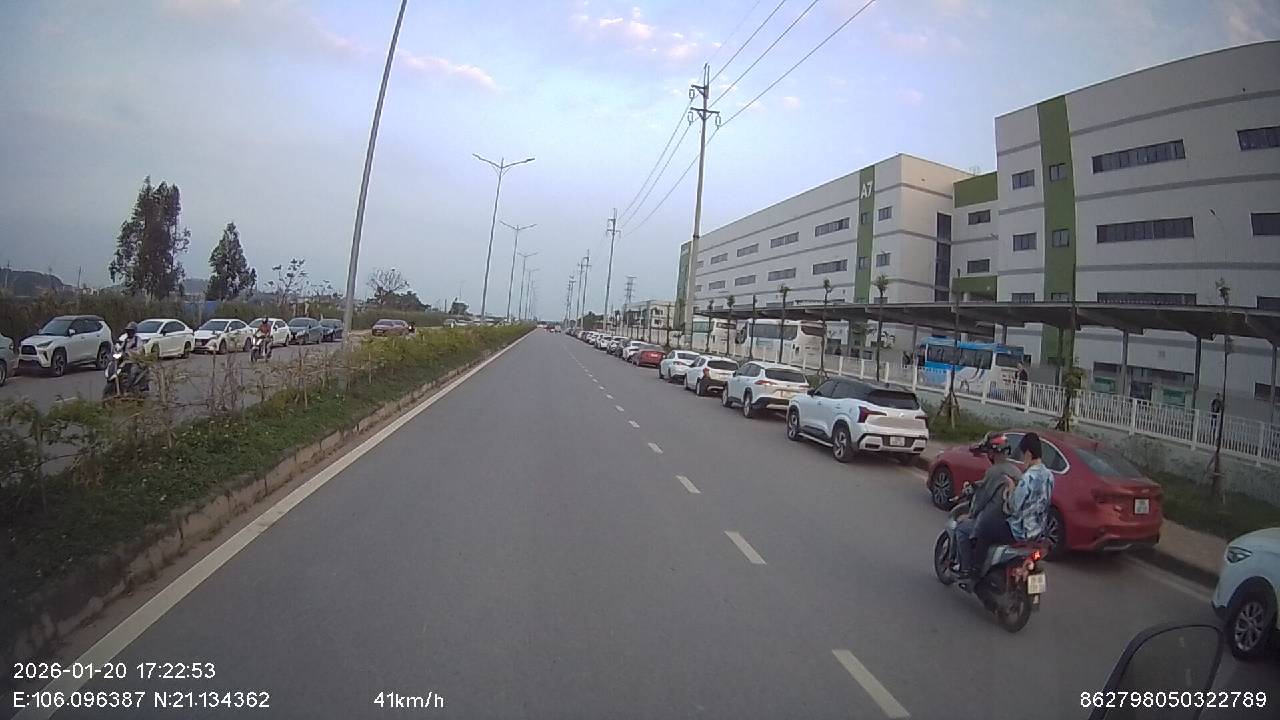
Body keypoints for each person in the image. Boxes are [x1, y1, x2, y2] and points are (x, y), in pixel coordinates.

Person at [955, 434, 1021, 577]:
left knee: (961, 529)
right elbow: (987, 484)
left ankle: (967, 569)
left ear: (992, 453)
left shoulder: (994, 471)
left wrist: (970, 514)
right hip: (1009, 524)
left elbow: (982, 499)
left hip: (990, 522)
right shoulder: (1016, 471)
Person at [1007, 432, 1055, 543]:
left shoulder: (1027, 478)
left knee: (987, 530)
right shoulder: (1049, 476)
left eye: (1023, 455)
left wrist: (1011, 488)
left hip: (1020, 532)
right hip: (1039, 531)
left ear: (1028, 454)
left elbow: (1014, 507)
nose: (1022, 459)